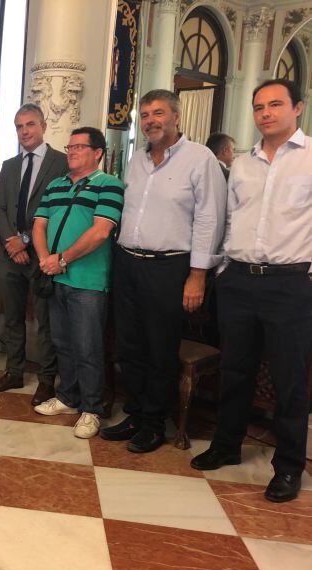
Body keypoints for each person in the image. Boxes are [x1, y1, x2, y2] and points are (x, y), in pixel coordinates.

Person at [191, 79, 312, 503]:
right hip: (239, 279)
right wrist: (222, 268)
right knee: (236, 370)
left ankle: (288, 467)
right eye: (259, 106)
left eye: (276, 104)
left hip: (290, 282)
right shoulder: (242, 163)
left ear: (297, 107)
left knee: (289, 380)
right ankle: (226, 445)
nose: (266, 113)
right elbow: (228, 219)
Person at [101, 89, 226, 453]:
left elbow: (210, 219)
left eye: (158, 113)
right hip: (127, 262)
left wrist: (198, 274)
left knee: (160, 349)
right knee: (129, 345)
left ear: (176, 117)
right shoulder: (136, 160)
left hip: (169, 267)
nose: (151, 120)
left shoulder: (200, 159)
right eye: (145, 114)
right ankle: (136, 413)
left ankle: (155, 423)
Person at [31, 127, 124, 438]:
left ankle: (92, 409)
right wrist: (46, 260)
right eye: (69, 147)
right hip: (55, 276)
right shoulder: (55, 185)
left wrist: (62, 259)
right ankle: (69, 397)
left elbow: (100, 232)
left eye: (79, 147)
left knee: (88, 346)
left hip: (88, 281)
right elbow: (39, 225)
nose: (71, 151)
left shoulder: (109, 185)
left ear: (97, 152)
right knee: (63, 343)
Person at [0, 103, 67, 403]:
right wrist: (11, 240)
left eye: (30, 125)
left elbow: (58, 211)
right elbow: (0, 207)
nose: (25, 131)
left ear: (43, 126)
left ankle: (47, 380)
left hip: (43, 254)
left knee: (45, 320)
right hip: (11, 254)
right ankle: (14, 371)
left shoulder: (60, 163)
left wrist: (26, 241)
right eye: (19, 126)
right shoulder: (9, 166)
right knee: (12, 317)